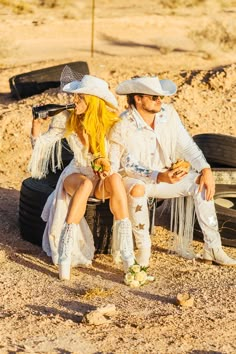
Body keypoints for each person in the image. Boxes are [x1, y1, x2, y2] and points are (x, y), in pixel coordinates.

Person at [108, 75, 236, 267]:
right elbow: (127, 163)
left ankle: (213, 247)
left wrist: (205, 168)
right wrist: (157, 175)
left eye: (161, 97)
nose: (160, 100)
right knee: (137, 190)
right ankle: (144, 249)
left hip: (166, 177)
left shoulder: (168, 114)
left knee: (201, 183)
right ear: (138, 98)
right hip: (135, 180)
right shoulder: (122, 124)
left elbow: (186, 144)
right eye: (154, 97)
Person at [29, 68, 135, 281]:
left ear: (93, 101)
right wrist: (36, 126)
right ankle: (65, 254)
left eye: (80, 97)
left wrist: (103, 164)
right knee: (85, 184)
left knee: (115, 179)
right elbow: (41, 146)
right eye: (74, 96)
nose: (74, 100)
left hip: (102, 178)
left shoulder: (115, 126)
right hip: (77, 174)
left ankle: (127, 254)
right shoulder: (67, 119)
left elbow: (113, 162)